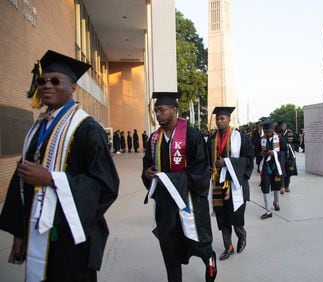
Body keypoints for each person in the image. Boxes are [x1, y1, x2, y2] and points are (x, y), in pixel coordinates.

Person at [0, 50, 119, 281]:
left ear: (73, 87)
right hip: (36, 231)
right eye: (43, 81)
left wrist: (52, 179)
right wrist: (19, 233)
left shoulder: (87, 129)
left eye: (56, 81)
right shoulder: (37, 128)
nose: (47, 86)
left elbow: (106, 185)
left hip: (71, 237)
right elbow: (21, 180)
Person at [142, 92, 217, 282]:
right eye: (156, 110)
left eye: (162, 110)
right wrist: (147, 173)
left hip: (189, 202)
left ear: (174, 110)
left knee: (199, 243)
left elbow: (201, 169)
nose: (158, 114)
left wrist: (171, 179)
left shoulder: (192, 135)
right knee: (169, 248)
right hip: (166, 205)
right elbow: (147, 164)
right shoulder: (153, 139)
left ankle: (209, 260)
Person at [207, 107, 254, 260]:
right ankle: (228, 247)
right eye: (218, 119)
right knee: (222, 216)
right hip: (218, 184)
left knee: (235, 216)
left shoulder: (240, 137)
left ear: (229, 119)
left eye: (223, 118)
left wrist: (227, 162)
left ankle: (242, 235)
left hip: (235, 184)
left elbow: (248, 159)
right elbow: (207, 159)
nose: (220, 121)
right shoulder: (212, 139)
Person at [259, 119, 283, 219]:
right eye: (265, 132)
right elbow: (256, 151)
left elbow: (285, 151)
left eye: (269, 131)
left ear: (273, 129)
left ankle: (276, 203)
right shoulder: (262, 140)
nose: (267, 134)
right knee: (265, 187)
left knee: (277, 187)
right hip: (266, 167)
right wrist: (261, 153)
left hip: (276, 167)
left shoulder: (280, 139)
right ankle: (268, 211)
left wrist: (275, 153)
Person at [277, 121, 298, 194]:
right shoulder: (278, 133)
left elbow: (296, 142)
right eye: (281, 125)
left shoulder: (290, 133)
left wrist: (292, 147)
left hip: (289, 154)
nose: (282, 126)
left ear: (286, 125)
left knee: (289, 170)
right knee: (281, 170)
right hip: (281, 154)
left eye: (284, 125)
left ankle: (287, 186)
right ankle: (282, 186)